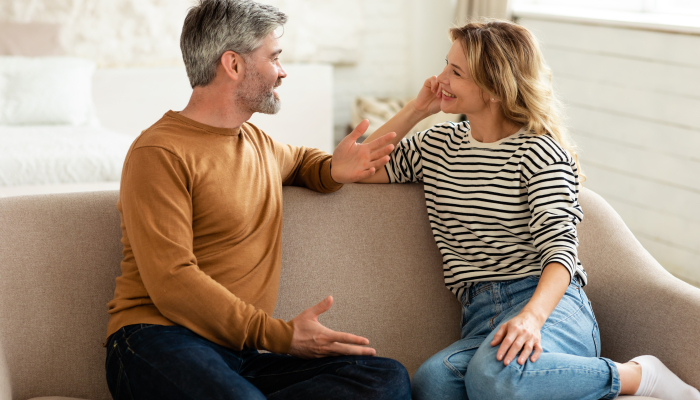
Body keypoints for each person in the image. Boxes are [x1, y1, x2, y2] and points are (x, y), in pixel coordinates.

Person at [360, 19, 700, 400]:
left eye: (455, 72)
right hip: (479, 313)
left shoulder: (538, 152)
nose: (440, 79)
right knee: (432, 384)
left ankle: (637, 376)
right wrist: (416, 109)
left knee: (493, 377)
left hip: (550, 308)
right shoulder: (437, 146)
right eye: (445, 65)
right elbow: (356, 166)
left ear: (493, 88)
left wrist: (531, 319)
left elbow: (561, 251)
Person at [103, 1, 411, 399]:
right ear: (233, 64)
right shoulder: (159, 152)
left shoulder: (258, 144)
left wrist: (334, 169)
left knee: (383, 380)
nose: (282, 72)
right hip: (155, 341)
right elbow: (172, 281)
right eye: (274, 58)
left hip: (237, 354)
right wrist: (281, 336)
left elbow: (301, 161)